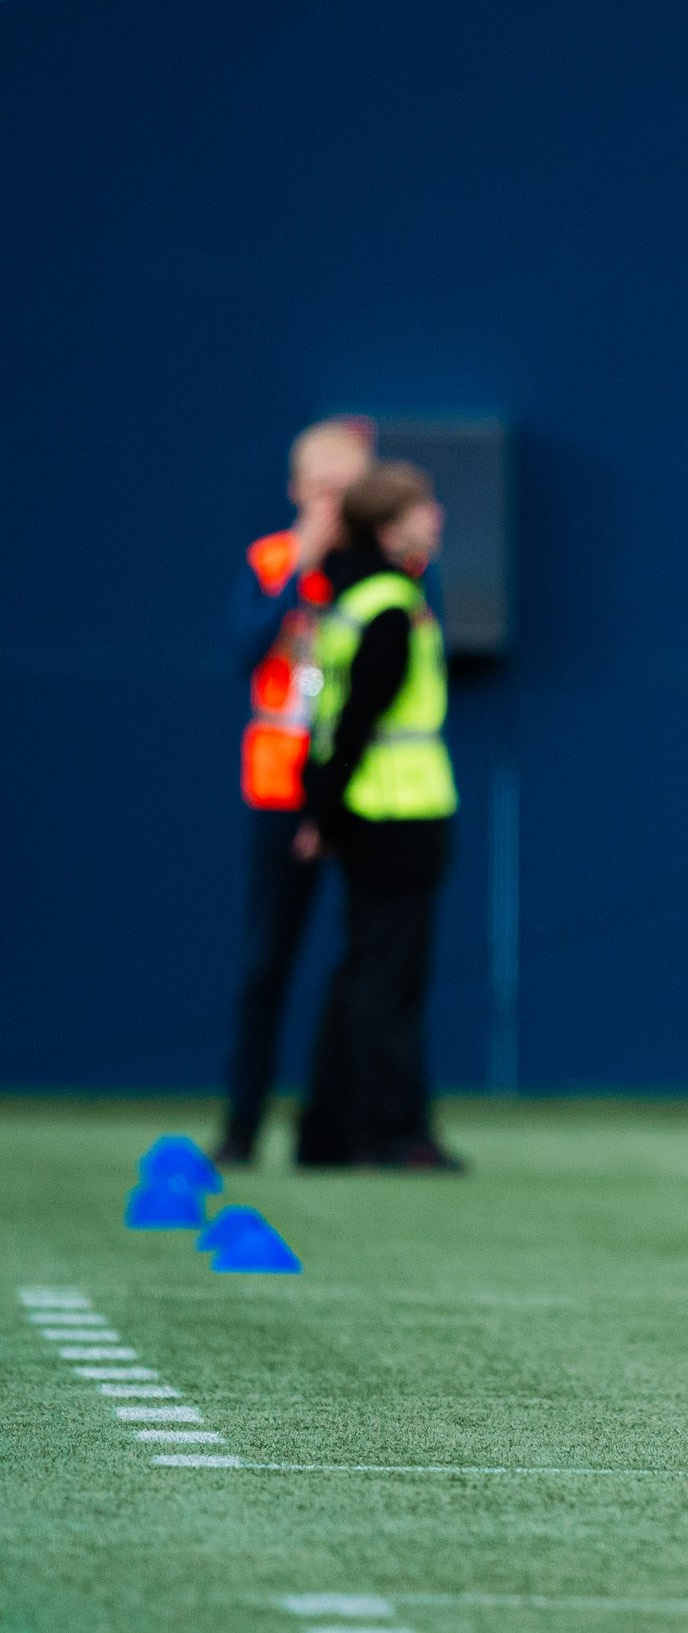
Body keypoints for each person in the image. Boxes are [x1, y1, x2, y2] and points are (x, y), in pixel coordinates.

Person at [295, 461, 465, 1172]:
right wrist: (324, 814)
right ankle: (389, 1131)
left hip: (369, 812)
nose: (437, 517)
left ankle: (330, 1131)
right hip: (398, 813)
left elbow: (329, 716)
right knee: (389, 980)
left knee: (363, 970)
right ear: (391, 527)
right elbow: (361, 717)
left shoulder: (353, 599)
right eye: (423, 508)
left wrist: (323, 810)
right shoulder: (392, 606)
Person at [215, 417, 374, 1166]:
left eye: (346, 494)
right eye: (321, 492)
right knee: (265, 962)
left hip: (356, 788)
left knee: (370, 963)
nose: (333, 507)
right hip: (280, 789)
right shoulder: (271, 558)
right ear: (296, 491)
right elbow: (248, 648)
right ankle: (242, 1123)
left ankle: (343, 1126)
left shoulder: (373, 572)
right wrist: (297, 571)